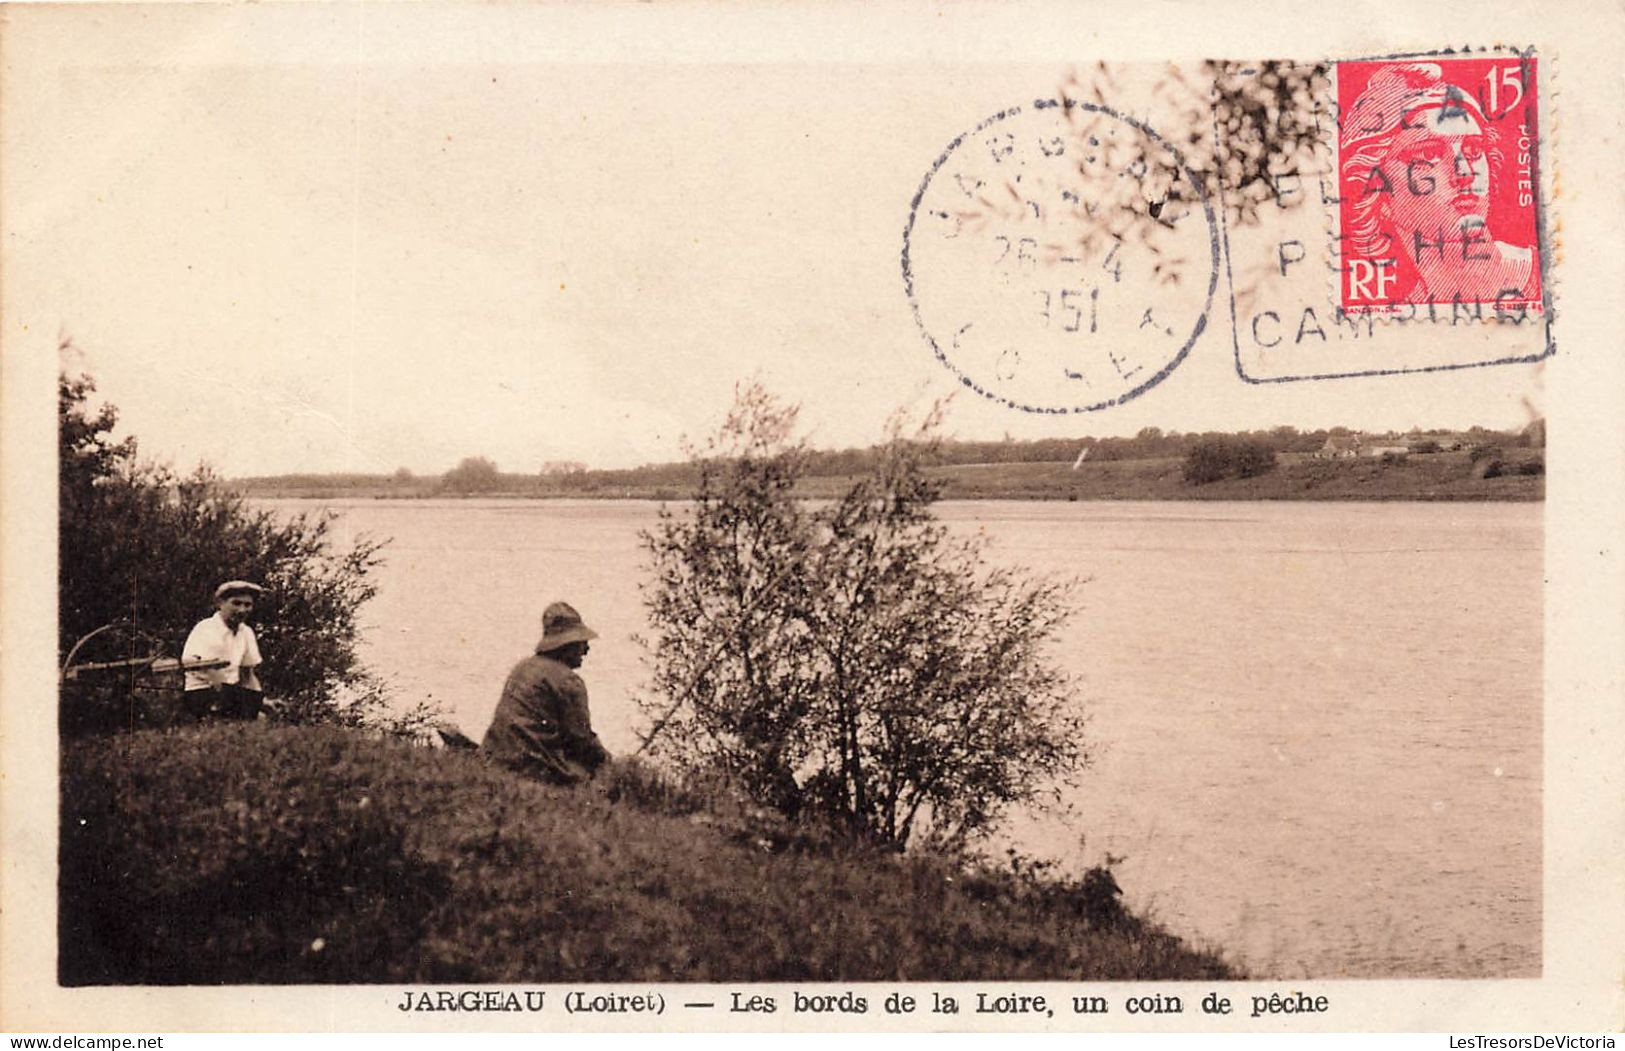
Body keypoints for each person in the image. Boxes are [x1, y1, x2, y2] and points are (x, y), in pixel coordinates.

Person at [1339, 62, 1539, 310]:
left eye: (1474, 149)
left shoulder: (1543, 274)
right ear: (1376, 191)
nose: (1464, 172)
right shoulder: (1400, 318)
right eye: (1427, 153)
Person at [481, 602, 610, 785]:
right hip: (535, 770)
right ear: (568, 646)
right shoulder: (568, 680)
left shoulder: (522, 668)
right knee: (602, 788)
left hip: (496, 761)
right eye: (582, 644)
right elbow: (581, 740)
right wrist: (608, 762)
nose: (586, 651)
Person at [182, 580, 266, 721]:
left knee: (262, 711)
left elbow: (247, 674)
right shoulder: (206, 628)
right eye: (236, 603)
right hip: (202, 691)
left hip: (231, 692)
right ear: (220, 603)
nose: (242, 610)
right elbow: (193, 664)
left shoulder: (246, 632)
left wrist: (260, 699)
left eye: (247, 605)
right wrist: (229, 695)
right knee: (249, 712)